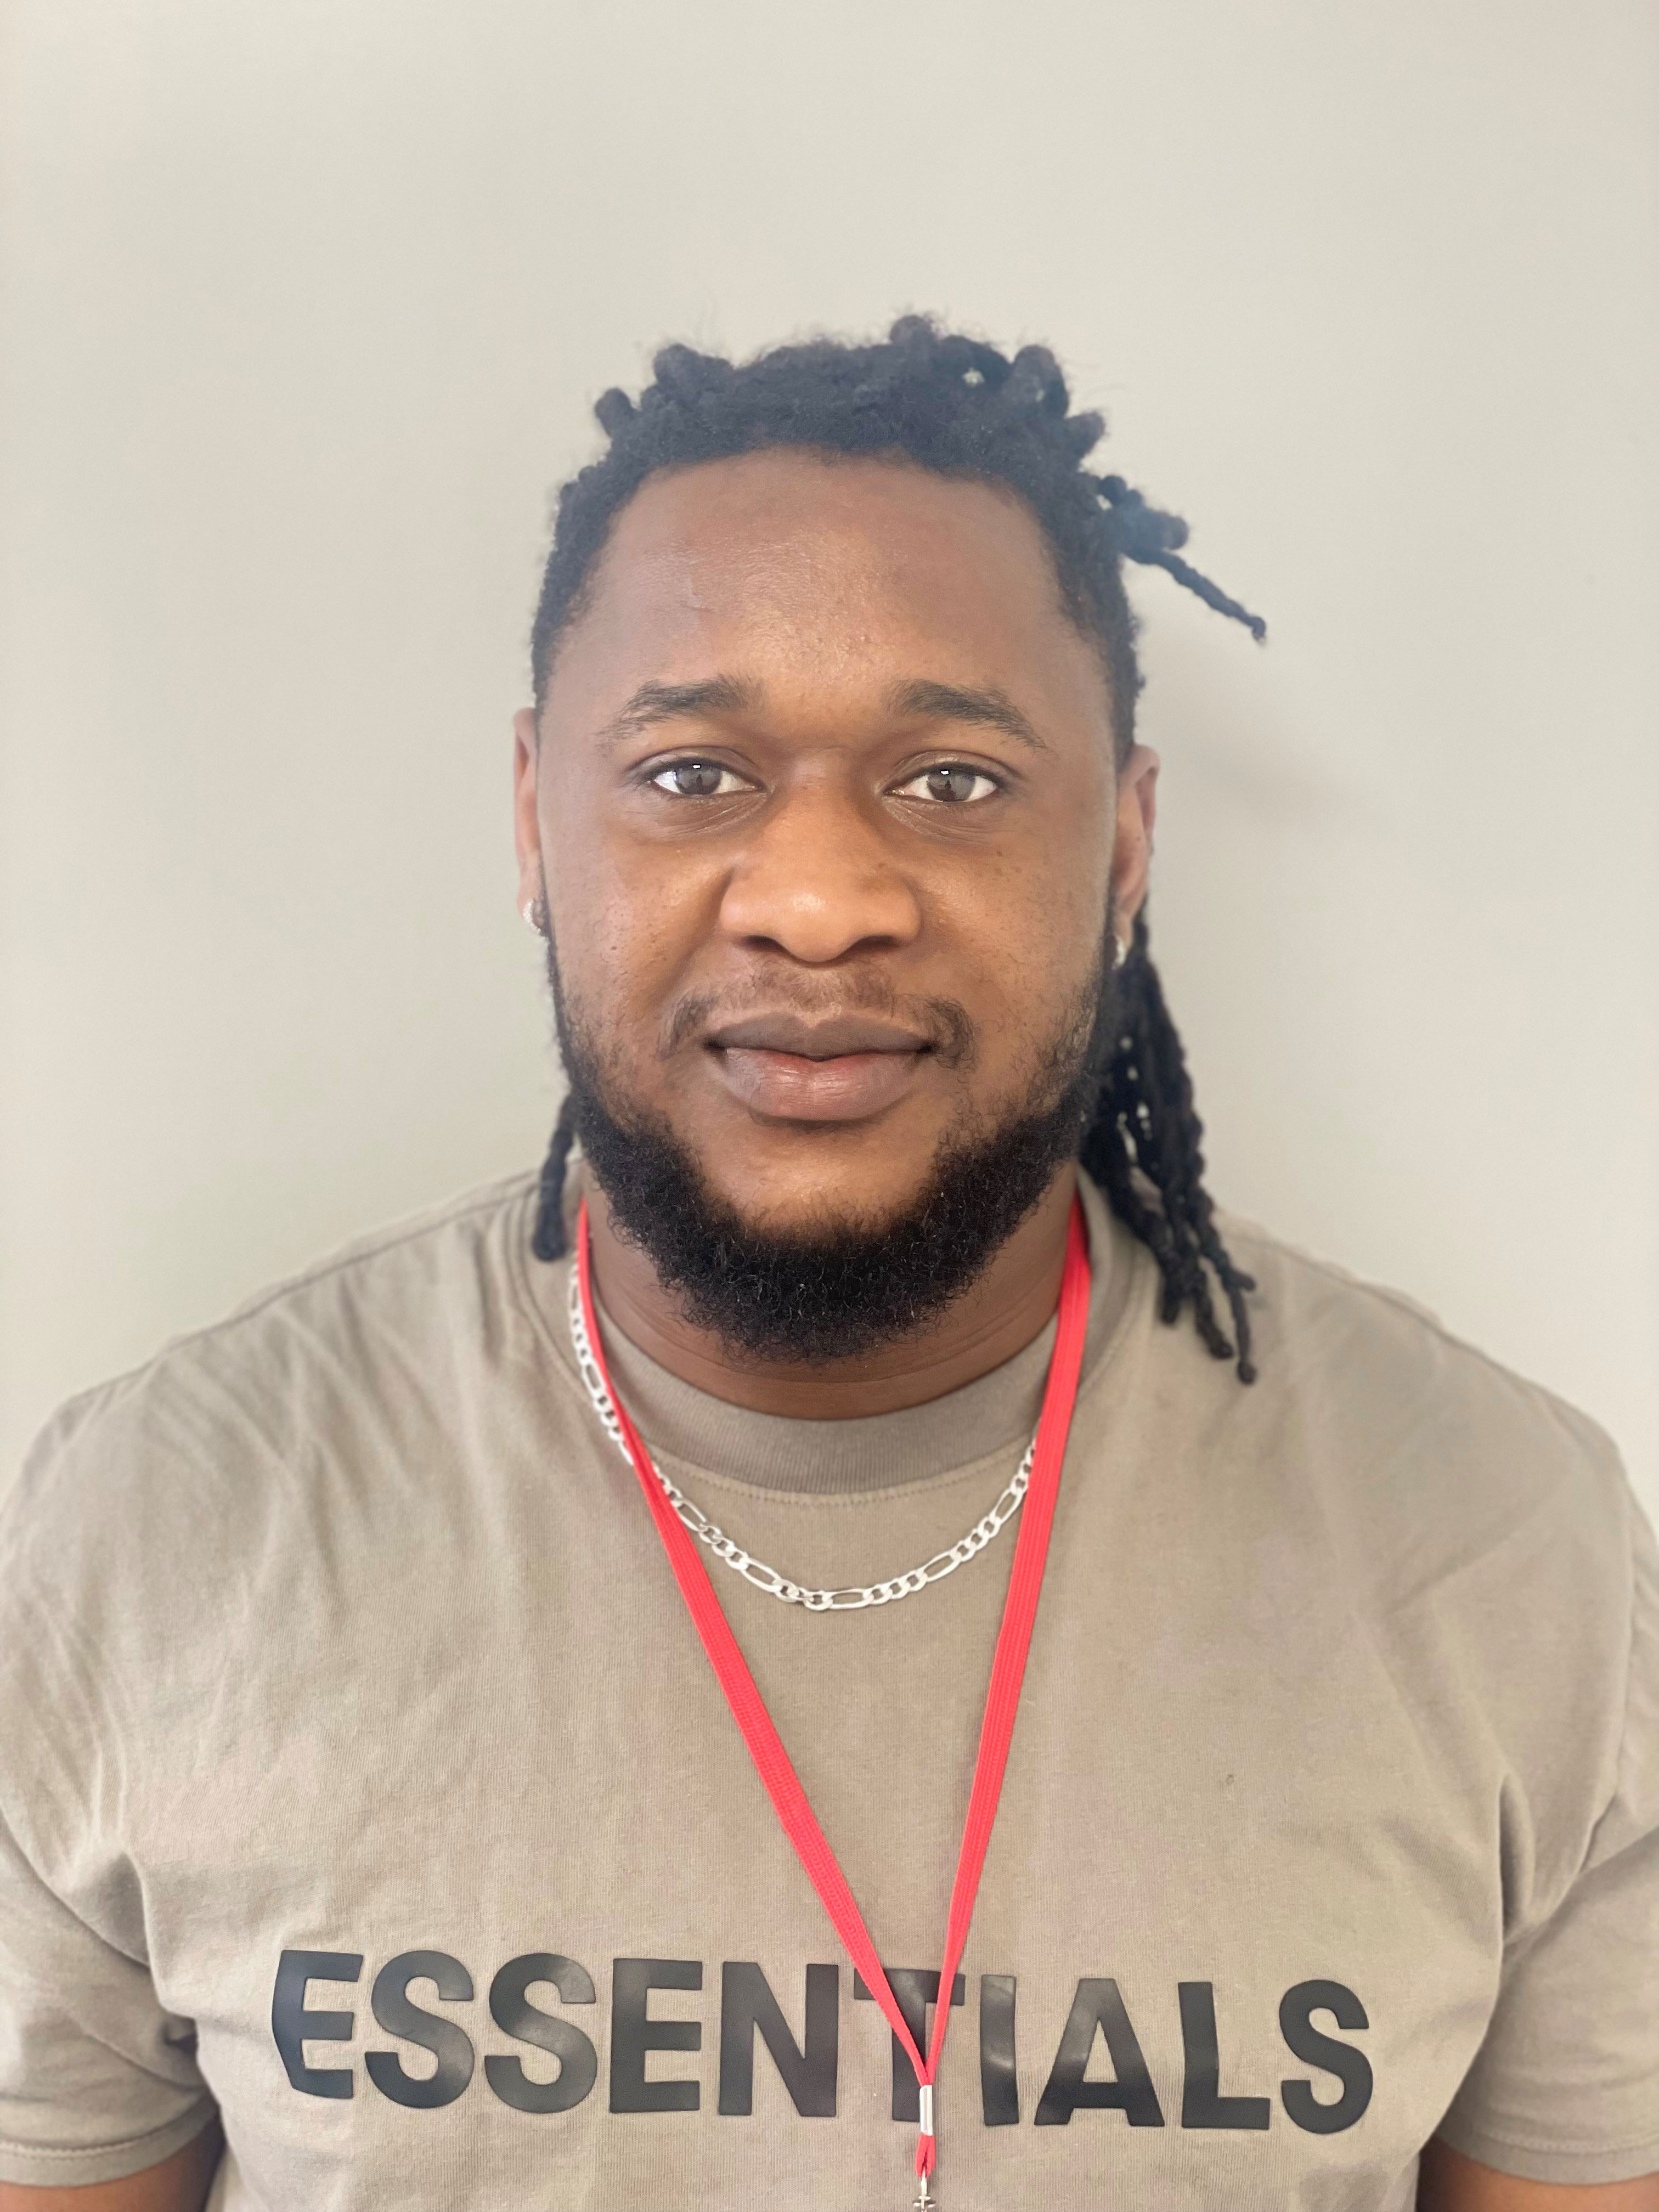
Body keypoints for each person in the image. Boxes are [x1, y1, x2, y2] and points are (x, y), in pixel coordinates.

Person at [0, 317, 1654, 2212]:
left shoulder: (1510, 1551)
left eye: (952, 779)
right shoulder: (154, 1529)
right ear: (535, 817)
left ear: (1123, 843)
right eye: (693, 773)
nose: (817, 898)